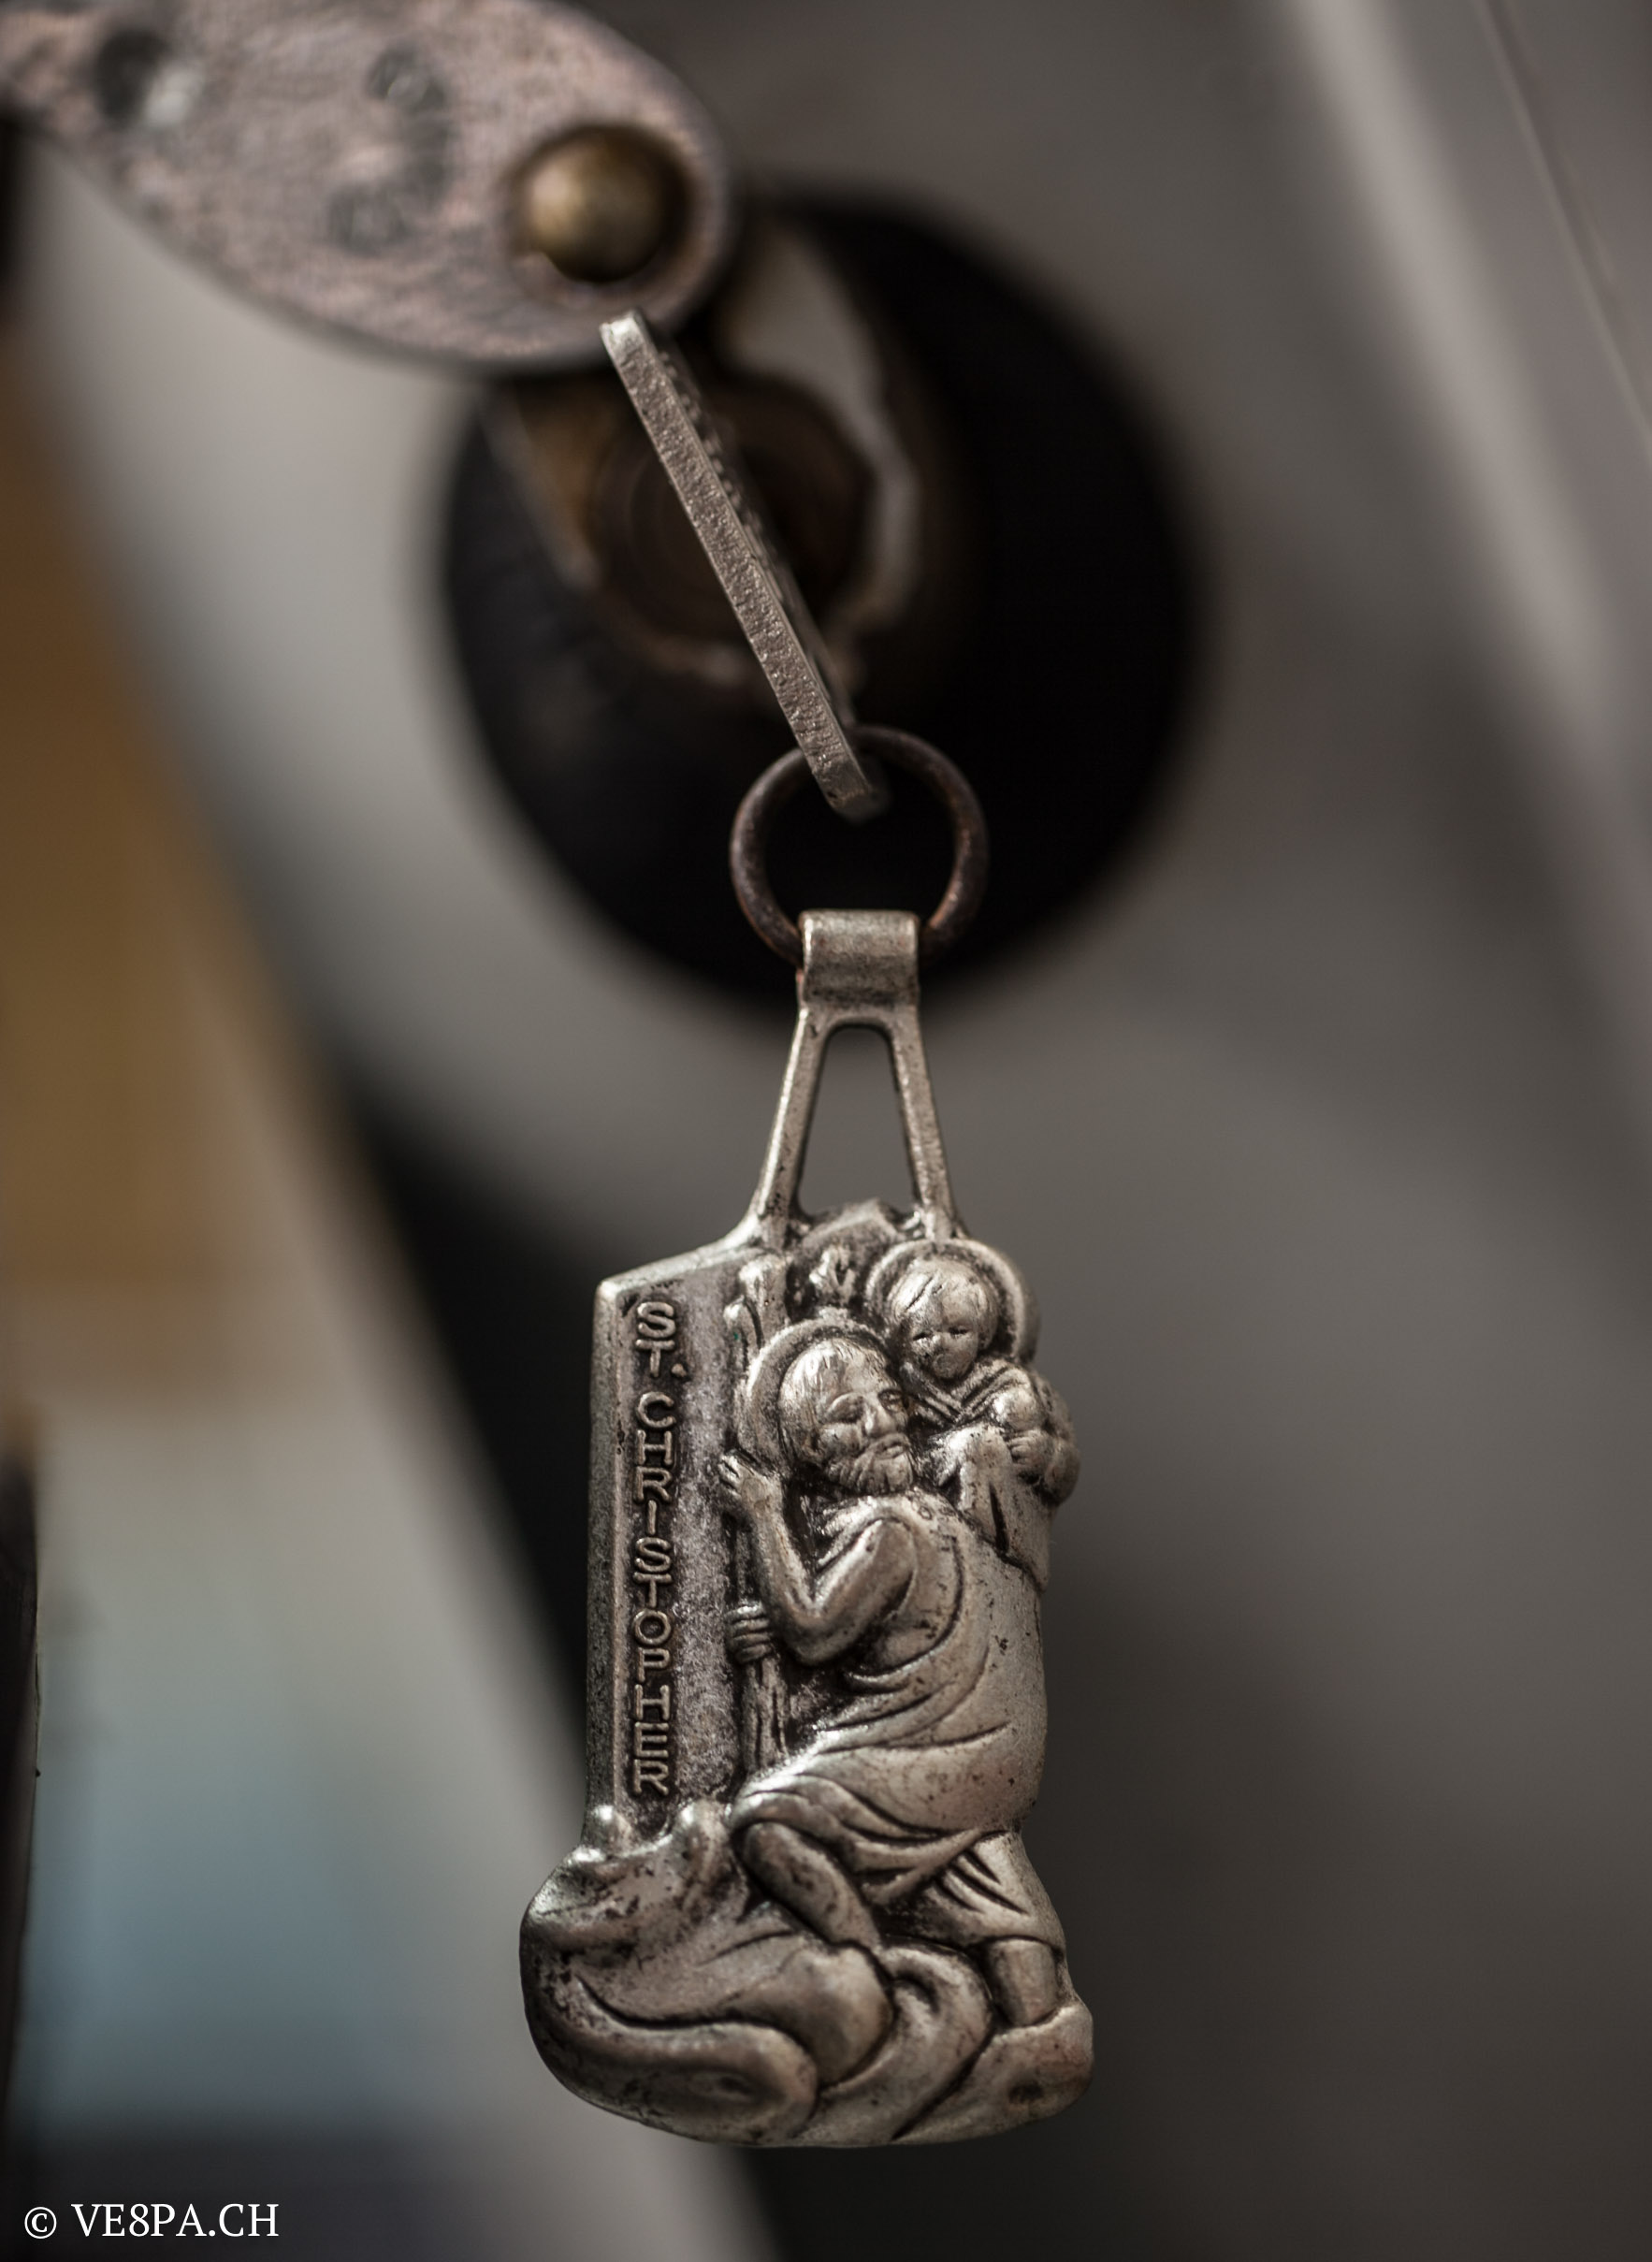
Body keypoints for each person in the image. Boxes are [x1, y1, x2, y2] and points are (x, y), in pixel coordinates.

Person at [720, 1329, 1065, 2028]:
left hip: (938, 1742)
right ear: (813, 1448)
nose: (882, 1423)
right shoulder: (953, 1514)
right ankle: (1042, 2024)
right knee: (976, 1873)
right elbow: (896, 1637)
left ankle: (871, 1979)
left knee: (766, 1823)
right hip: (997, 1752)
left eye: (888, 1401)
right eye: (849, 1415)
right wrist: (777, 1626)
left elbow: (814, 1632)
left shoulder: (889, 1529)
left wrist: (763, 1512)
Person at [873, 1246, 1079, 1588]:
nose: (940, 1344)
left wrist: (1047, 1457)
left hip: (1006, 1545)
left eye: (957, 1331)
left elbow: (1068, 1463)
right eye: (922, 1335)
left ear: (983, 1333)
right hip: (931, 1540)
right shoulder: (895, 1391)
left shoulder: (1016, 1384)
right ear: (903, 1341)